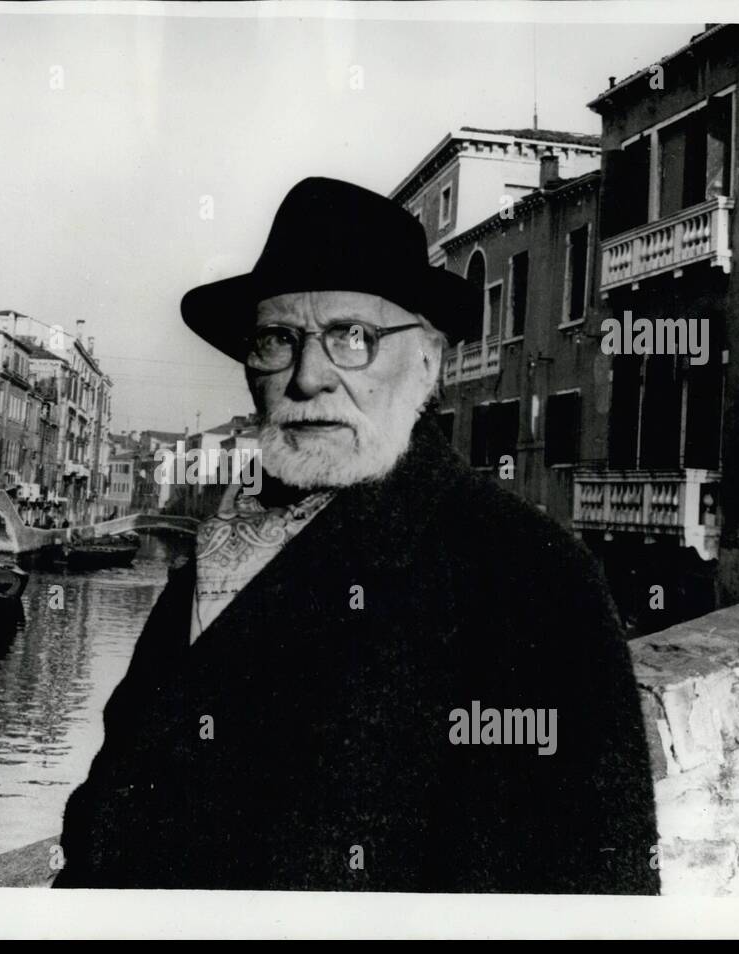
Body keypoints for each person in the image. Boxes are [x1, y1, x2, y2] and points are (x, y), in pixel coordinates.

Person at [55, 177, 659, 894]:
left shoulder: (530, 578)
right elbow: (104, 819)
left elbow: (590, 893)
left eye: (352, 337)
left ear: (428, 362)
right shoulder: (212, 559)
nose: (308, 377)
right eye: (278, 339)